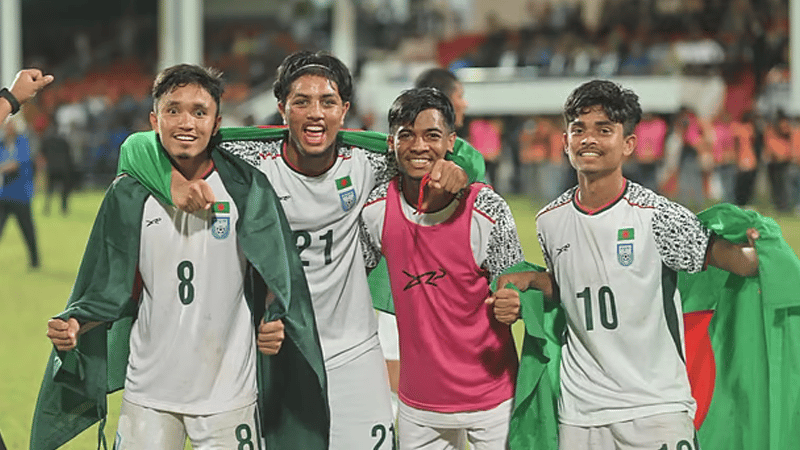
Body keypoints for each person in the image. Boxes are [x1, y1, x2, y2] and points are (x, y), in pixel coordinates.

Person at [114, 51, 483, 450]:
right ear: (281, 108)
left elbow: (439, 152)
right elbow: (140, 146)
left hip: (353, 349)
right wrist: (172, 184)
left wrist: (460, 168)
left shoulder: (369, 160)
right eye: (301, 101)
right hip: (278, 349)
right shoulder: (248, 160)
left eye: (327, 102)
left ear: (344, 110)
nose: (315, 114)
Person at [32, 64, 327, 450]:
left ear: (217, 122)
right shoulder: (128, 193)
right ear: (154, 119)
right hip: (149, 394)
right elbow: (108, 285)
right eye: (173, 110)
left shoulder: (247, 188)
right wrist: (76, 323)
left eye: (199, 112)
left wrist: (274, 319)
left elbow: (275, 271)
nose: (186, 122)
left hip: (229, 394)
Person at [497, 80, 759, 450]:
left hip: (655, 410)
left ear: (628, 144)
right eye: (579, 129)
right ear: (565, 142)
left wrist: (760, 250)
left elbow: (736, 263)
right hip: (580, 414)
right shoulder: (549, 221)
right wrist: (533, 283)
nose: (589, 139)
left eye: (604, 130)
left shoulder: (657, 216)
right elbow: (571, 286)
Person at [360, 87, 523, 449]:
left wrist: (515, 302)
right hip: (418, 407)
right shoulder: (374, 212)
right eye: (407, 135)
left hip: (492, 401)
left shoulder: (486, 208)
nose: (419, 146)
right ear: (391, 142)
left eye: (432, 135)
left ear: (451, 141)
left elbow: (517, 285)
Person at [375, 66, 474, 418]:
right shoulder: (386, 164)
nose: (464, 102)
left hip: (447, 288)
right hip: (396, 285)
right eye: (459, 94)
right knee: (397, 383)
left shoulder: (467, 159)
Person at [0, 117, 40, 269]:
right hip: (3, 194)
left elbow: (17, 163)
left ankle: (35, 261)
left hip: (20, 194)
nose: (8, 128)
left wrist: (2, 168)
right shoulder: (2, 144)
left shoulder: (23, 142)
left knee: (27, 229)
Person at [40, 121, 78, 215]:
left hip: (52, 167)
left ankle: (47, 208)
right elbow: (69, 154)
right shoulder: (63, 140)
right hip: (63, 167)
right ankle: (64, 208)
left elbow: (42, 153)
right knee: (64, 189)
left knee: (50, 189)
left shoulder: (47, 140)